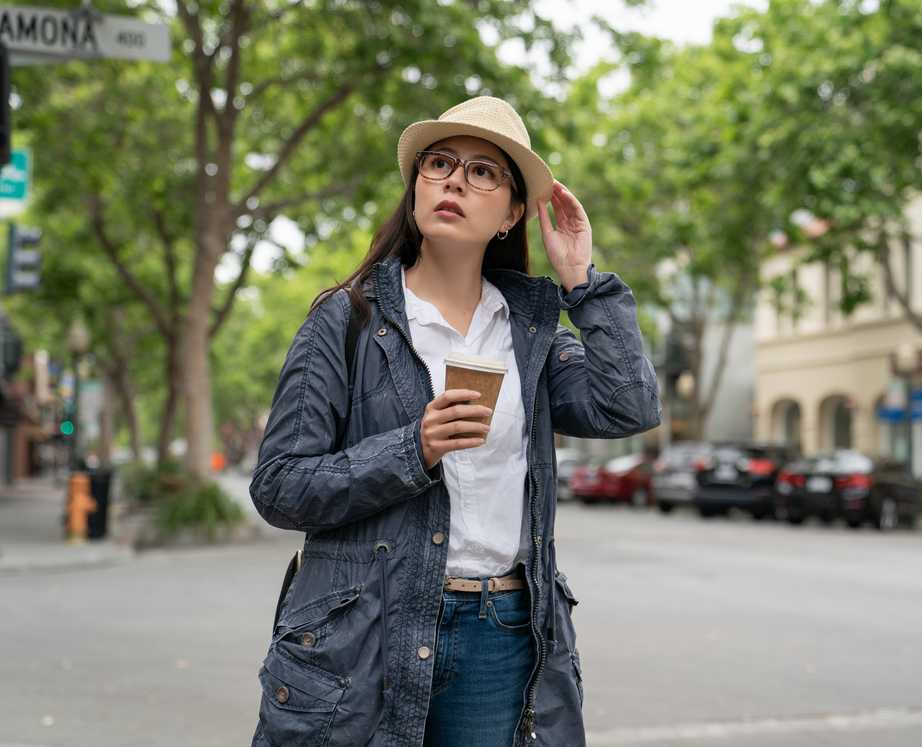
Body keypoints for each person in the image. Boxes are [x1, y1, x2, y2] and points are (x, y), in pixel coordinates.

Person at [249, 96, 660, 747]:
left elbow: (627, 405)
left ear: (512, 213)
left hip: (498, 632)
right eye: (439, 163)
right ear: (415, 189)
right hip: (363, 633)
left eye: (483, 172)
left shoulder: (529, 334)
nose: (455, 181)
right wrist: (413, 449)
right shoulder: (346, 319)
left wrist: (583, 281)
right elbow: (278, 485)